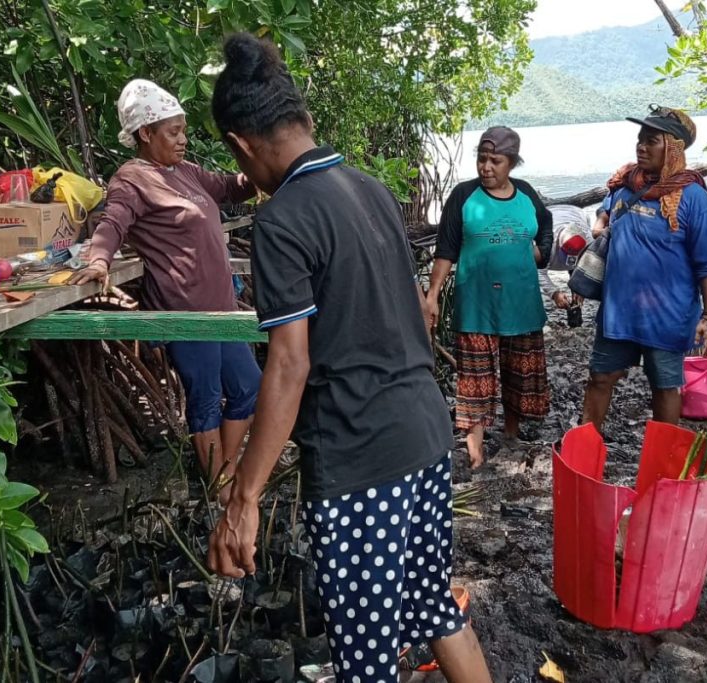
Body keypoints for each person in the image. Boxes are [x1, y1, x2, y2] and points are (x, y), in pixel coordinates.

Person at [205, 33, 492, 683]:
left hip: (361, 460)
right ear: (301, 118)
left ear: (241, 145)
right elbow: (414, 309)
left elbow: (289, 364)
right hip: (425, 434)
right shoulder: (370, 190)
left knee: (365, 660)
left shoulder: (281, 221)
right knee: (433, 605)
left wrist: (243, 497)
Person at [70, 79, 261, 501]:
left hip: (222, 308)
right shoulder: (132, 179)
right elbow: (114, 222)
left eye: (183, 130)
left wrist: (264, 165)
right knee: (206, 398)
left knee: (249, 387)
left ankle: (225, 474)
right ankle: (220, 489)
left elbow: (229, 188)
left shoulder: (186, 172)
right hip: (185, 311)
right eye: (173, 132)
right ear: (145, 133)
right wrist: (99, 260)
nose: (183, 139)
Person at [582, 106, 707, 432]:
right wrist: (600, 223)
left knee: (665, 386)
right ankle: (584, 447)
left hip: (668, 316)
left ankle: (664, 455)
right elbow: (605, 211)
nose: (641, 147)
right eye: (640, 140)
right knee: (600, 377)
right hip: (619, 312)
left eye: (651, 141)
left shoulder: (694, 199)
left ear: (673, 148)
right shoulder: (626, 186)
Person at [426, 127, 554, 467]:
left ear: (512, 163)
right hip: (476, 306)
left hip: (521, 304)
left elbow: (546, 224)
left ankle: (511, 435)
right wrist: (433, 295)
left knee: (518, 374)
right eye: (482, 159)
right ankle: (476, 452)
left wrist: (541, 253)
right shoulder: (464, 196)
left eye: (495, 161)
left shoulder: (526, 194)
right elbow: (446, 249)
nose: (486, 167)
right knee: (475, 380)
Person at [539, 204, 593, 324]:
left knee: (576, 272)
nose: (570, 260)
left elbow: (589, 266)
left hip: (577, 213)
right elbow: (538, 272)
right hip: (552, 212)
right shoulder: (547, 245)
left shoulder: (589, 242)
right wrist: (554, 293)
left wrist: (581, 288)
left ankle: (576, 305)